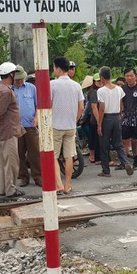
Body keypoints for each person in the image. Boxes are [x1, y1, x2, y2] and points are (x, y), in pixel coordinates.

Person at [51, 56, 84, 194]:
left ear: (58, 69)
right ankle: (67, 185)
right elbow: (81, 107)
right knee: (69, 156)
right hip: (71, 126)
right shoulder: (76, 85)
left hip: (56, 126)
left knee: (53, 156)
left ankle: (58, 184)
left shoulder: (51, 84)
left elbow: (48, 105)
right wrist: (74, 120)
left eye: (54, 68)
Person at [0, 63, 26, 198]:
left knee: (5, 162)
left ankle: (4, 188)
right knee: (12, 162)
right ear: (10, 74)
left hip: (4, 130)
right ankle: (10, 189)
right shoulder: (5, 91)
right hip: (8, 130)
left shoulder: (0, 88)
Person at [97, 66, 133, 177]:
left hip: (107, 118)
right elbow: (121, 104)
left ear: (101, 77)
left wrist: (99, 124)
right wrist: (120, 114)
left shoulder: (101, 91)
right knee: (118, 143)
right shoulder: (119, 89)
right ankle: (126, 162)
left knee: (104, 144)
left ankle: (106, 171)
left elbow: (102, 108)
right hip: (117, 117)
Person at [12, 65, 41, 187]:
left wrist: (36, 118)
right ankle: (23, 177)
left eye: (20, 79)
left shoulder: (31, 88)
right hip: (16, 126)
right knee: (19, 152)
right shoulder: (10, 90)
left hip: (30, 125)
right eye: (16, 80)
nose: (19, 81)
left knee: (34, 152)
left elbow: (37, 105)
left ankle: (38, 176)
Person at [83, 73, 102, 164]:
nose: (100, 82)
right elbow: (91, 107)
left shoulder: (100, 91)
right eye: (98, 81)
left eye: (100, 80)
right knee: (93, 137)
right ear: (94, 82)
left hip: (97, 117)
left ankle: (95, 156)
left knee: (95, 137)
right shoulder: (93, 92)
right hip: (93, 117)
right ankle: (92, 155)